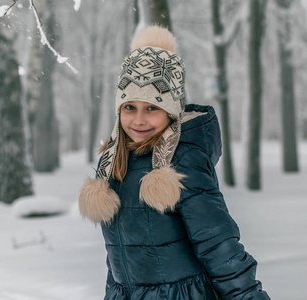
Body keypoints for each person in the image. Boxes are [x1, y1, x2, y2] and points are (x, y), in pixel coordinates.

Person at [79, 26, 270, 300]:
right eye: (129, 107)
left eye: (152, 107)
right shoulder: (114, 162)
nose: (139, 120)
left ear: (171, 111)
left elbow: (218, 246)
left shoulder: (181, 162)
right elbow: (120, 258)